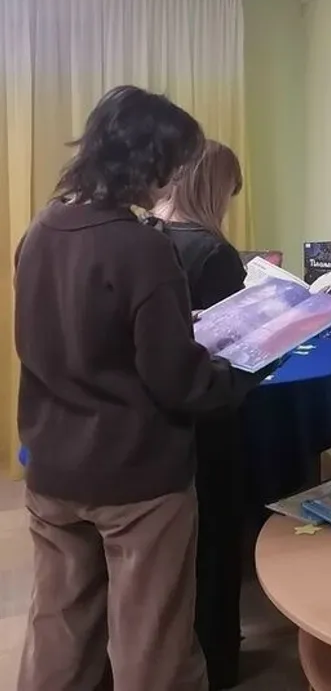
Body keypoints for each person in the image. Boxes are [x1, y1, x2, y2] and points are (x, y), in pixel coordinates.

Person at [15, 86, 252, 691]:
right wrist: (238, 373)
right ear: (149, 162)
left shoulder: (40, 230)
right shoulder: (144, 248)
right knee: (152, 644)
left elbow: (65, 336)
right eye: (172, 163)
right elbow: (178, 382)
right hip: (137, 480)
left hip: (51, 468)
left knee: (59, 629)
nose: (172, 179)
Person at [149, 141, 248, 691]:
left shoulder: (145, 237)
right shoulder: (214, 254)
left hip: (152, 425)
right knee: (215, 540)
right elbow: (235, 347)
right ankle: (219, 662)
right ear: (214, 190)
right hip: (208, 418)